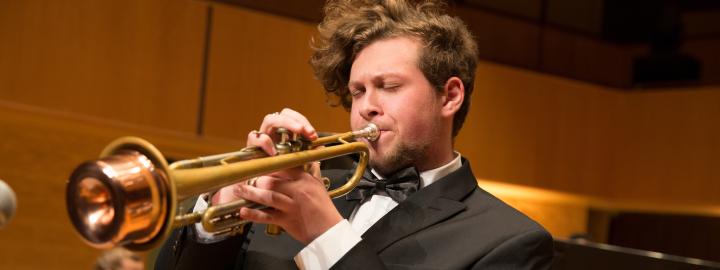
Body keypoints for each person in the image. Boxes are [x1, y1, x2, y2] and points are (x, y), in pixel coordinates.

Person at [155, 0, 553, 269]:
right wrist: (222, 210)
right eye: (358, 91)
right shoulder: (304, 185)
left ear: (449, 96)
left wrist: (324, 233)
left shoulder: (511, 241)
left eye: (389, 86)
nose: (366, 106)